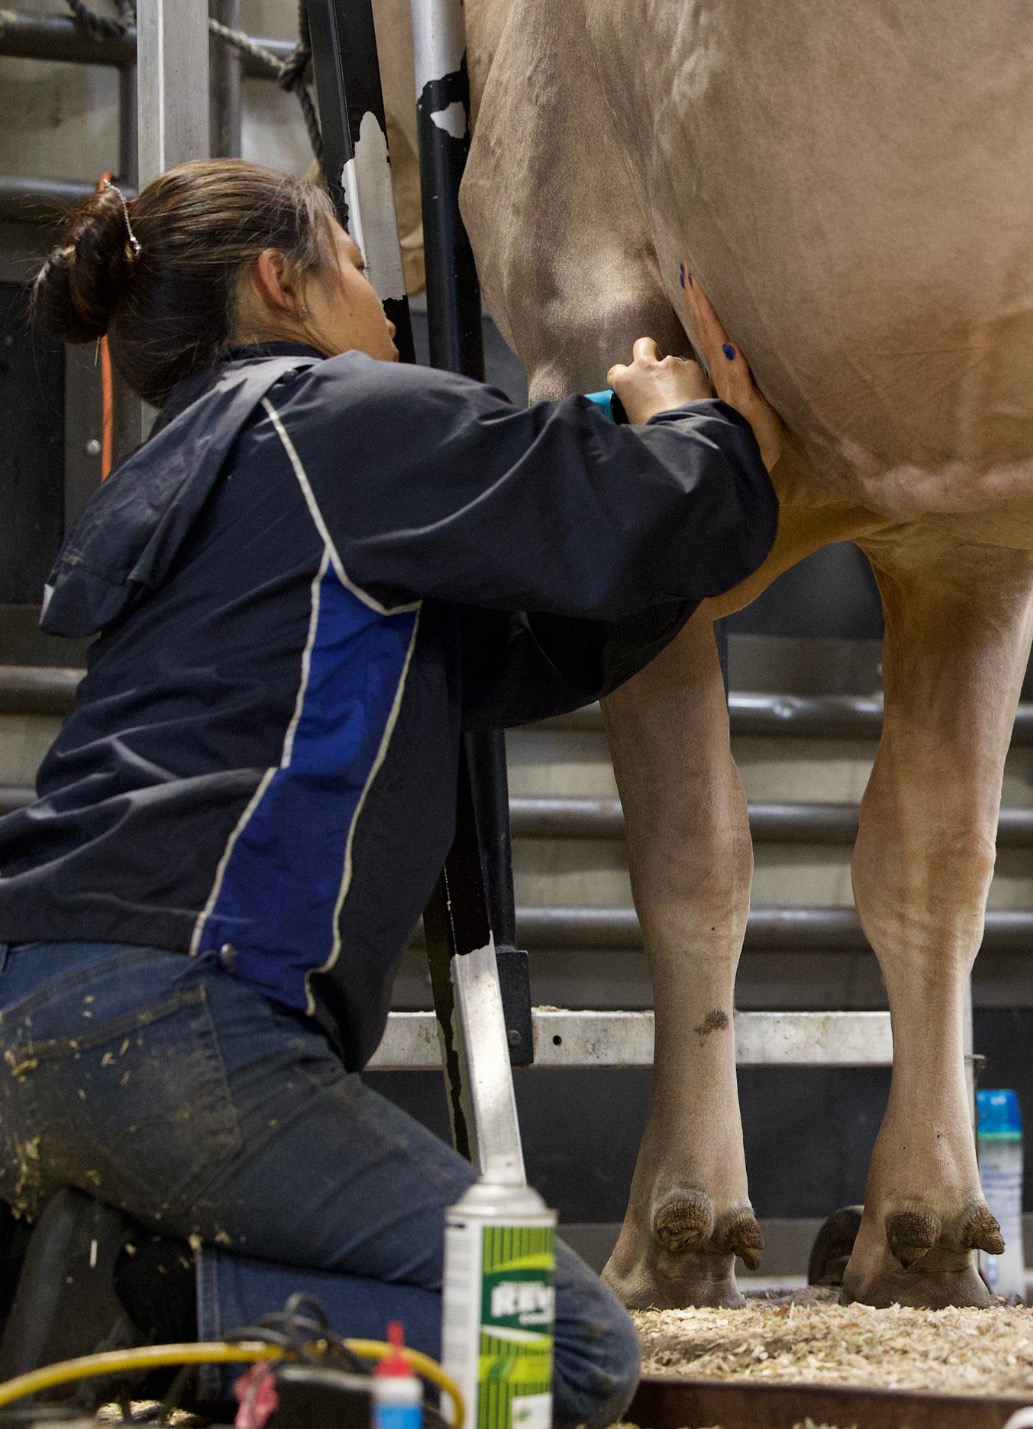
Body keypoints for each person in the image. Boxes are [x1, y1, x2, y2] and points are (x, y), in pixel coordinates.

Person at [0, 159, 783, 1428]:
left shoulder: (178, 475)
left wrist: (664, 524)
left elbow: (498, 659)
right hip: (187, 1027)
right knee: (557, 1342)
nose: (377, 299)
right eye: (356, 264)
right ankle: (148, 1308)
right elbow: (641, 511)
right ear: (280, 280)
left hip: (34, 1001)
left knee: (457, 1296)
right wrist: (692, 424)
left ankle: (140, 1294)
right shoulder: (339, 414)